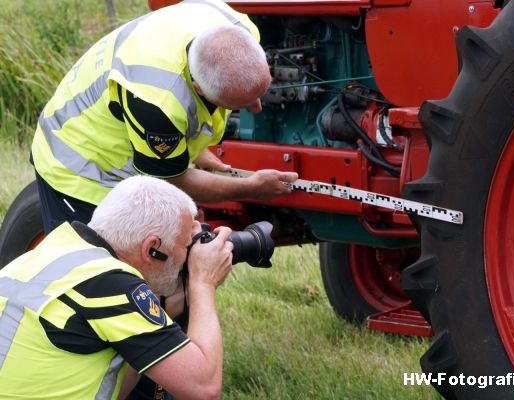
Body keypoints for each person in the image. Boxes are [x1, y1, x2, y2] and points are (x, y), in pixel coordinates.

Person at [30, 0, 298, 233]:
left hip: (128, 136)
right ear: (198, 88)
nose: (257, 108)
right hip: (82, 169)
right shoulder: (156, 98)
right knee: (99, 275)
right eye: (241, 104)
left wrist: (190, 149)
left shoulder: (238, 26)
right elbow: (173, 180)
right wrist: (251, 188)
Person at [0, 175, 234, 399]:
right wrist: (203, 282)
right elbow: (204, 388)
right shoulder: (110, 284)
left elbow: (116, 384)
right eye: (185, 248)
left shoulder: (55, 251)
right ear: (152, 248)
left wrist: (161, 319)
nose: (187, 258)